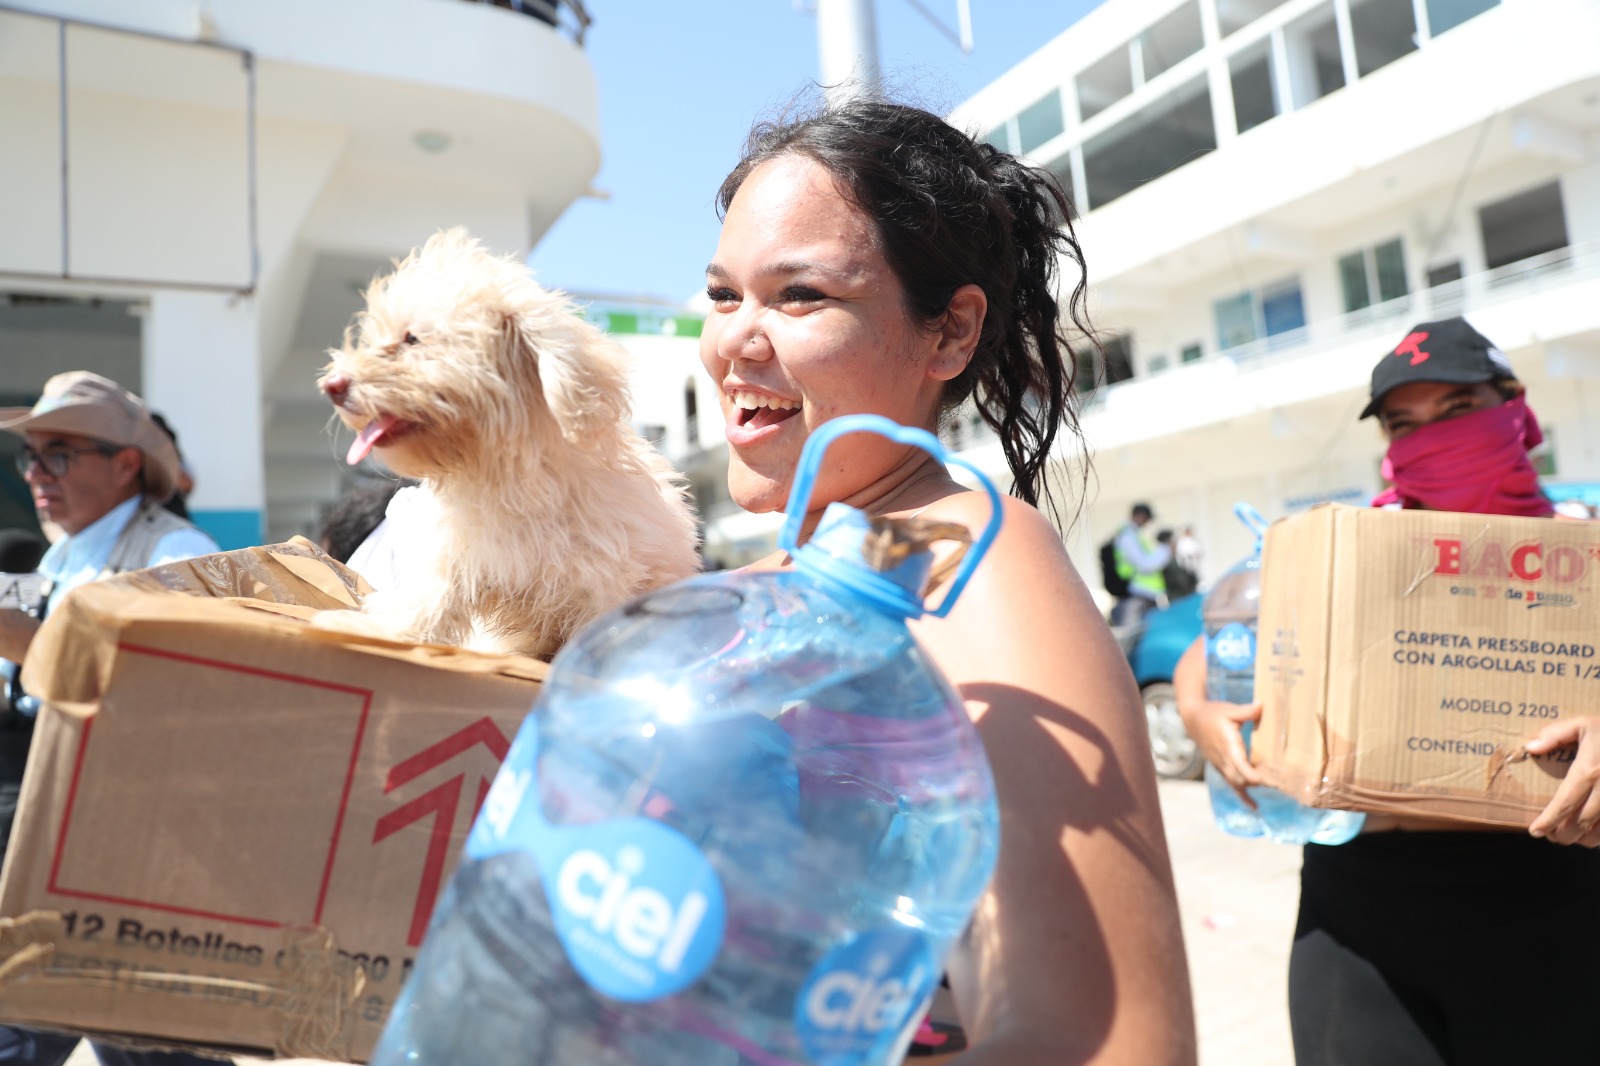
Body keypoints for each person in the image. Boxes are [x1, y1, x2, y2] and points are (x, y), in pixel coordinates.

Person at [702, 97, 1196, 1063]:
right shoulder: (791, 574)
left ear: (949, 333)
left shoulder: (967, 562)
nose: (735, 343)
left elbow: (1113, 1044)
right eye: (724, 295)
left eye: (799, 295)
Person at [1175, 316, 1600, 1066]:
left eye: (1459, 410)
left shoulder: (1583, 551)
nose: (1432, 437)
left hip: (1549, 900)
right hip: (1355, 913)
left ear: (1517, 408)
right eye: (1405, 425)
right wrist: (1198, 709)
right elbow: (1214, 647)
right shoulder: (1353, 550)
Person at [0, 371, 225, 1066]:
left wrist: (29, 646)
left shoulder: (178, 558)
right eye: (31, 456)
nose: (38, 473)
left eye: (59, 453)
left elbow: (187, 704)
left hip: (113, 852)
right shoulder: (55, 559)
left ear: (128, 464)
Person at [1109, 502, 1170, 625]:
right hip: (1136, 595)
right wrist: (1165, 550)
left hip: (1143, 595)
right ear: (1140, 516)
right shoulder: (1127, 536)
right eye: (1147, 519)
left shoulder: (1133, 535)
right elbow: (1144, 564)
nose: (1147, 523)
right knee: (1133, 636)